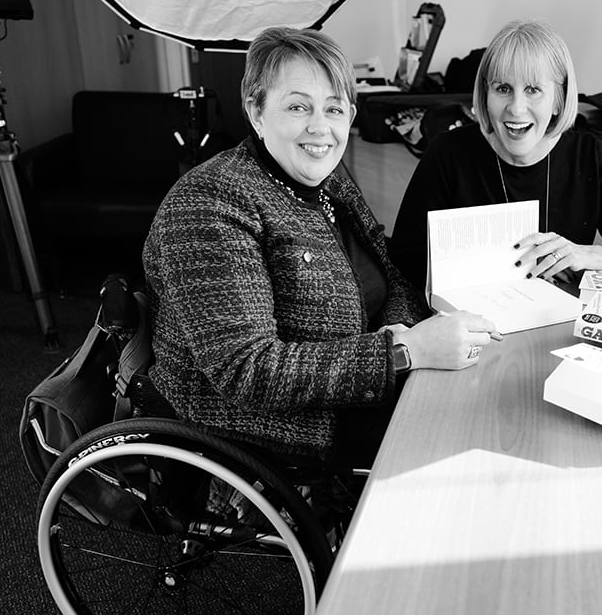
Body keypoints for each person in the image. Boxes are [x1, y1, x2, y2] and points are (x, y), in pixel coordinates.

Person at [143, 27, 496, 468]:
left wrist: (400, 329)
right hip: (268, 423)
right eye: (297, 106)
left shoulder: (329, 181)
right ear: (256, 110)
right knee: (469, 439)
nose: (320, 127)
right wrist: (405, 353)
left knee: (490, 394)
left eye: (333, 108)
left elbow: (388, 270)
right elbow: (247, 372)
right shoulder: (210, 204)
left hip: (360, 384)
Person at [388, 19, 602, 291]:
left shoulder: (589, 156)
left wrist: (585, 256)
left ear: (558, 100)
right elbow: (403, 261)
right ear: (485, 95)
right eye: (503, 88)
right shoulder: (447, 153)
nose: (516, 108)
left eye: (533, 90)